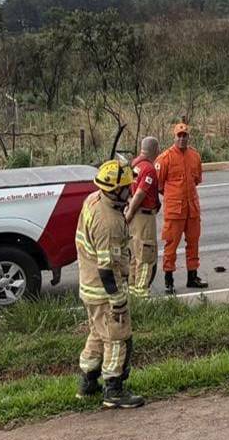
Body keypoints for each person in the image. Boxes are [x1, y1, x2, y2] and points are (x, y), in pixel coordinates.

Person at [75, 159, 144, 408]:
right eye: (127, 187)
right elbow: (107, 269)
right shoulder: (110, 223)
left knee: (97, 333)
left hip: (88, 286)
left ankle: (88, 382)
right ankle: (113, 389)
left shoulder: (92, 200)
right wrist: (118, 301)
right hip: (104, 291)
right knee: (117, 337)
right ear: (115, 190)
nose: (131, 190)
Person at [156, 122, 206, 293]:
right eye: (180, 135)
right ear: (174, 137)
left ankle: (192, 277)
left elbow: (197, 180)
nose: (182, 139)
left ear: (188, 137)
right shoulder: (165, 158)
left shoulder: (195, 156)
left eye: (185, 136)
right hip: (174, 211)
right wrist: (174, 197)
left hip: (192, 208)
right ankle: (168, 280)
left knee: (193, 243)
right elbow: (159, 185)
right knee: (171, 245)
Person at [126, 136, 160, 300]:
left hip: (134, 218)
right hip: (143, 217)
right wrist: (130, 213)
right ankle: (141, 294)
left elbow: (129, 191)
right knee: (146, 255)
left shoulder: (134, 165)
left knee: (134, 255)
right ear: (155, 150)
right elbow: (140, 193)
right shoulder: (149, 169)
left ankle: (132, 290)